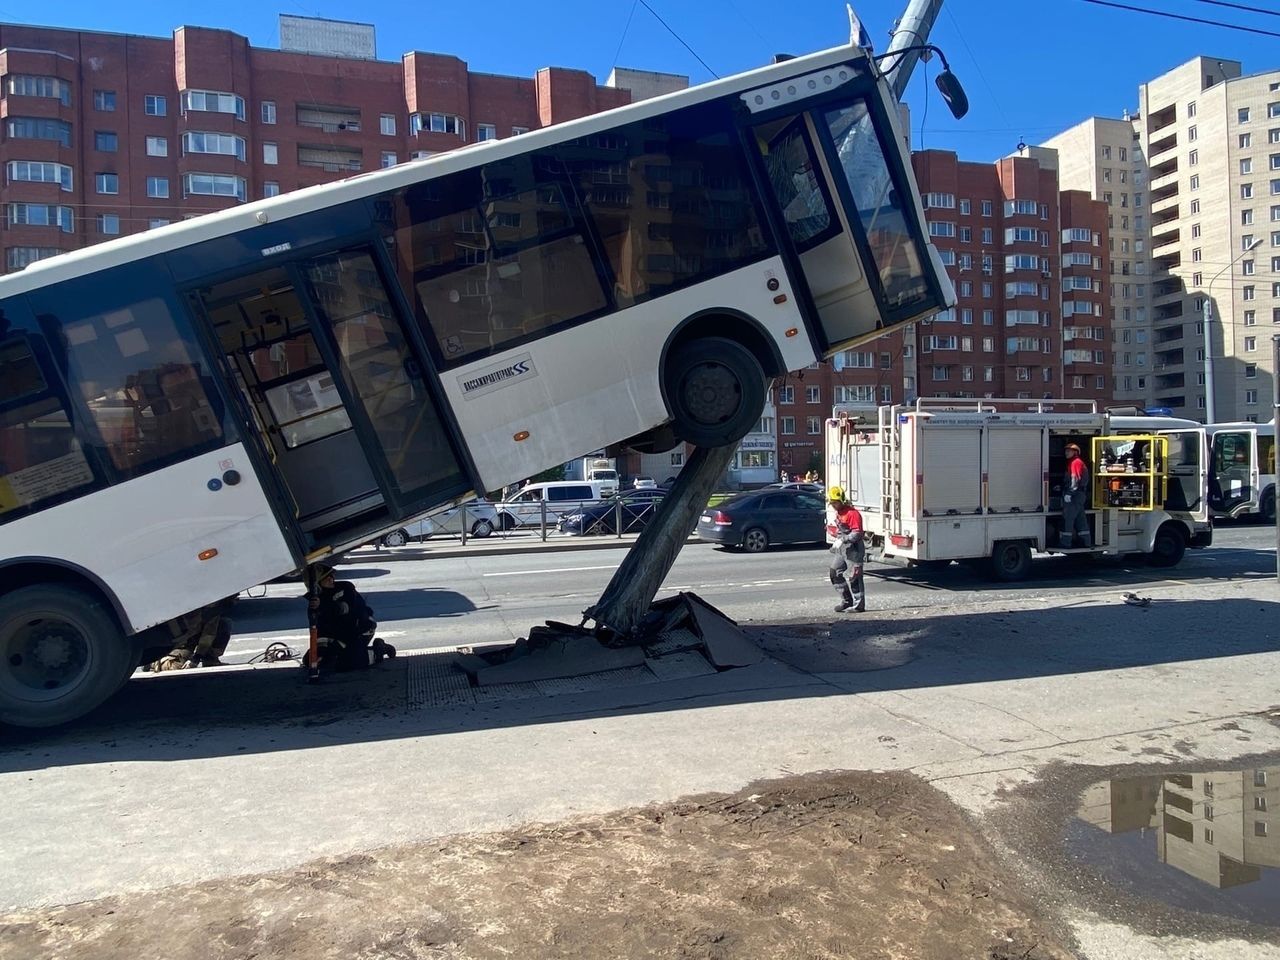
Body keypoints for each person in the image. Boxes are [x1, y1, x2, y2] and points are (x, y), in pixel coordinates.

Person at [307, 564, 395, 671]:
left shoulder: (345, 589)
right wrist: (320, 652)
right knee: (310, 660)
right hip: (337, 634)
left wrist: (323, 606)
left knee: (350, 662)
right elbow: (319, 630)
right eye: (326, 578)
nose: (331, 579)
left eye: (331, 576)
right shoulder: (314, 604)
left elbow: (346, 610)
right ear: (316, 585)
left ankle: (379, 650)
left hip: (360, 629)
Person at [146, 595, 236, 671]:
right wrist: (195, 659)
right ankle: (153, 663)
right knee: (176, 667)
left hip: (194, 633)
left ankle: (210, 658)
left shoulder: (215, 602)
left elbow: (209, 632)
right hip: (183, 637)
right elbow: (208, 633)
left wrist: (197, 657)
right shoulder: (210, 602)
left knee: (223, 624)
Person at [826, 486, 865, 613]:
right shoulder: (840, 513)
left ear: (841, 501)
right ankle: (847, 600)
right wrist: (836, 538)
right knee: (834, 573)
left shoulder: (852, 514)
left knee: (854, 577)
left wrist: (843, 539)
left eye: (835, 502)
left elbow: (857, 533)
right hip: (843, 549)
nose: (833, 505)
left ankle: (859, 605)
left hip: (854, 549)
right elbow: (841, 530)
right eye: (832, 503)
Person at [1061, 442, 1092, 548]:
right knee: (1081, 519)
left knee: (1068, 518)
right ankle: (1086, 542)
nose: (1066, 452)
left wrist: (1070, 493)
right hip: (1079, 495)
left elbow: (1076, 479)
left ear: (1075, 452)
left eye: (1069, 451)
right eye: (1066, 450)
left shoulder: (1075, 462)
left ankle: (1065, 543)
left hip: (1075, 496)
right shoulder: (1073, 462)